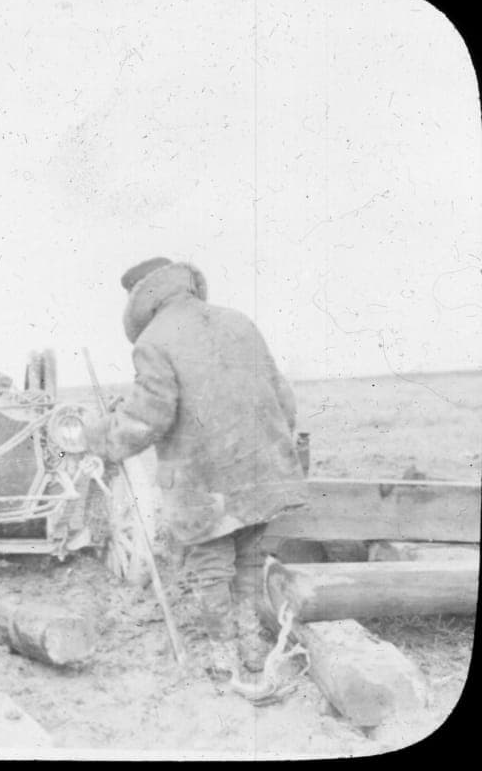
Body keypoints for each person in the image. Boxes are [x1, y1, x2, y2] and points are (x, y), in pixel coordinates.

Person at [84, 257, 306, 681]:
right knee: (246, 559)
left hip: (205, 485)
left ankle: (224, 656)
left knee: (212, 568)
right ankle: (253, 647)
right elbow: (283, 396)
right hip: (260, 474)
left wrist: (101, 437)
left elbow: (149, 417)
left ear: (139, 299)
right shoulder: (238, 322)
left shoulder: (153, 341)